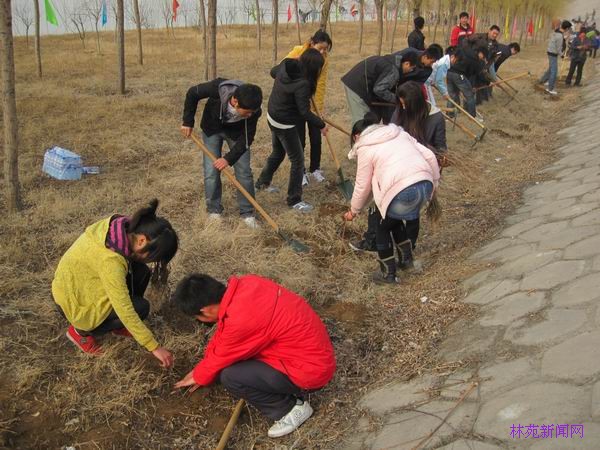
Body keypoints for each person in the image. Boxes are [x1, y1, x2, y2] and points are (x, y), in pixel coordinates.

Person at [172, 273, 336, 438]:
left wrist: (200, 376)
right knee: (235, 362)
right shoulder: (247, 284)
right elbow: (223, 335)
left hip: (309, 371)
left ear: (205, 311)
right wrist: (203, 367)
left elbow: (223, 354)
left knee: (231, 376)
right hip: (312, 353)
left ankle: (289, 409)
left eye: (197, 317)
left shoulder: (241, 320)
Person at [52, 199, 178, 367]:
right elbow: (124, 308)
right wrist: (154, 347)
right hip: (74, 303)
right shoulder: (111, 262)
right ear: (142, 241)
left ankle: (118, 326)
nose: (151, 260)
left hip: (75, 284)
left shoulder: (118, 228)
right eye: (152, 257)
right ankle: (80, 332)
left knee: (142, 272)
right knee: (140, 308)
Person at [351, 82, 447, 257]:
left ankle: (404, 252)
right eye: (400, 103)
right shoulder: (400, 114)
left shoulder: (435, 118)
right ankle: (384, 246)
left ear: (417, 102)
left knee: (401, 217)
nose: (402, 108)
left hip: (418, 169)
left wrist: (353, 210)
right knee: (385, 212)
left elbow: (439, 149)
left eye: (405, 104)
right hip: (399, 170)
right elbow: (392, 131)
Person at [343, 119, 440, 284]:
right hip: (424, 185)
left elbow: (362, 185)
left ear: (357, 136)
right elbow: (430, 155)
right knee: (393, 220)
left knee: (382, 227)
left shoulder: (366, 147)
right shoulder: (399, 133)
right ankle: (406, 261)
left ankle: (388, 275)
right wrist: (434, 183)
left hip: (401, 190)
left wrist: (354, 210)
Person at [181, 80, 263, 228]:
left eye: (252, 112)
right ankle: (214, 210)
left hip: (237, 134)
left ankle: (248, 213)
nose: (250, 114)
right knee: (211, 171)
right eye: (247, 112)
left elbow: (246, 139)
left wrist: (228, 159)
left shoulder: (254, 111)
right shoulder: (217, 89)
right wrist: (187, 121)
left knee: (244, 172)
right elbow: (192, 93)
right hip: (212, 129)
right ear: (235, 101)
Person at [255, 49, 328, 213]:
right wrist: (321, 124)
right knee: (298, 161)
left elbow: (273, 72)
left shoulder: (285, 65)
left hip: (272, 116)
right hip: (285, 124)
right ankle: (294, 200)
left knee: (278, 153)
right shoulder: (303, 84)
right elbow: (304, 112)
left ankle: (262, 183)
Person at [284, 30, 333, 185]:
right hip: (297, 104)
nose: (323, 52)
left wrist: (317, 107)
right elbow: (283, 68)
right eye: (320, 48)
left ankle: (315, 168)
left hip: (312, 104)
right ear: (312, 43)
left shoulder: (324, 60)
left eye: (326, 49)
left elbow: (321, 84)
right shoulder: (298, 51)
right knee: (300, 139)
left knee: (316, 138)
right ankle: (301, 172)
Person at [341, 51, 418, 125]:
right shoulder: (393, 70)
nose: (410, 71)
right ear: (407, 64)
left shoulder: (393, 60)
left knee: (370, 118)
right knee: (361, 120)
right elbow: (379, 89)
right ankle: (359, 133)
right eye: (411, 68)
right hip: (357, 86)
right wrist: (397, 99)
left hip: (359, 82)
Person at [446, 45, 486, 118]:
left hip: (449, 72)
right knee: (470, 95)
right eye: (484, 56)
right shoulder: (475, 60)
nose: (483, 58)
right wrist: (487, 82)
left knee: (452, 95)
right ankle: (472, 116)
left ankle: (450, 114)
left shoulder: (467, 50)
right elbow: (477, 75)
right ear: (480, 53)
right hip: (458, 74)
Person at [538, 20, 572, 95]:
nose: (568, 30)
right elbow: (558, 48)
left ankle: (542, 80)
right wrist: (562, 56)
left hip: (550, 52)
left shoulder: (557, 31)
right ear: (566, 28)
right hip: (553, 53)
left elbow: (557, 40)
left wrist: (564, 38)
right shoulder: (559, 36)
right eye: (569, 28)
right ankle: (550, 88)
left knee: (551, 69)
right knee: (554, 71)